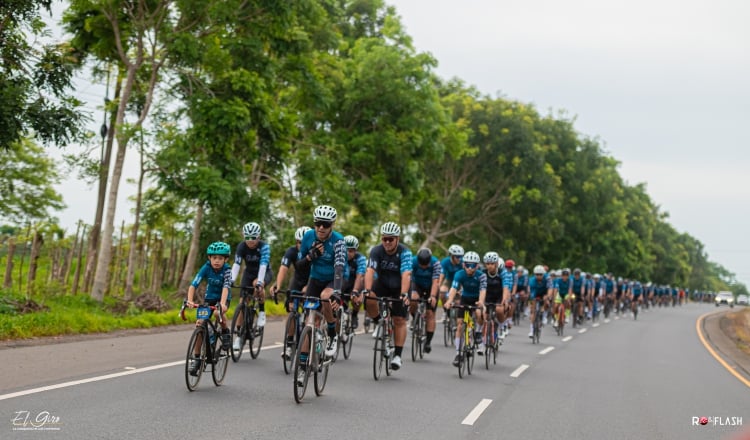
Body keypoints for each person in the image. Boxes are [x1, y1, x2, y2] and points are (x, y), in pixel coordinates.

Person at [295, 205, 347, 382]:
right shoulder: (308, 237)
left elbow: (339, 268)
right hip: (315, 279)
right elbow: (299, 266)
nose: (321, 228)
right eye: (318, 224)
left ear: (331, 225)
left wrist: (337, 292)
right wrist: (311, 256)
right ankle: (302, 368)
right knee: (310, 321)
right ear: (314, 224)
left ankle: (332, 334)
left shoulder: (338, 241)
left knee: (326, 297)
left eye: (325, 224)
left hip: (333, 279)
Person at [363, 222, 413, 371]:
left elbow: (406, 274)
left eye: (391, 239)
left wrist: (404, 294)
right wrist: (366, 289)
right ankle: (379, 322)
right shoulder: (376, 251)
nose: (387, 242)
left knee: (399, 319)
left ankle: (397, 355)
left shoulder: (405, 252)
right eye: (385, 239)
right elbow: (370, 271)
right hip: (383, 284)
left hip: (400, 287)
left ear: (397, 239)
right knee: (369, 297)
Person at [186, 241, 232, 375]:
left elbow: (226, 288)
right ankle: (196, 359)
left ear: (225, 259)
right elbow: (193, 284)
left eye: (220, 258)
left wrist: (223, 304)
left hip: (223, 298)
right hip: (209, 298)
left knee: (218, 314)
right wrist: (189, 300)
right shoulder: (206, 268)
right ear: (209, 258)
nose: (217, 261)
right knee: (200, 325)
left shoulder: (227, 270)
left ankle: (225, 332)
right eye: (214, 258)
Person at [231, 222, 272, 352]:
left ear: (258, 237)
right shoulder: (241, 247)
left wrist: (260, 282)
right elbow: (237, 264)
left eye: (253, 238)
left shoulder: (264, 247)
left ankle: (261, 311)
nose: (250, 241)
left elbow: (263, 265)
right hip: (248, 273)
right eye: (247, 237)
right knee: (242, 303)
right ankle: (239, 336)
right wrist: (231, 280)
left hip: (264, 272)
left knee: (257, 285)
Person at [272, 226, 312, 359]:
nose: (302, 245)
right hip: (297, 280)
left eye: (305, 242)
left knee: (309, 313)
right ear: (296, 242)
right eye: (300, 242)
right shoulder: (291, 251)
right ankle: (289, 345)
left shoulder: (315, 252)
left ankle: (308, 338)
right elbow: (283, 268)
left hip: (312, 281)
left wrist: (308, 287)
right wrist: (277, 285)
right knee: (291, 310)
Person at [444, 251, 487, 367]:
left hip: (477, 299)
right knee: (460, 325)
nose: (470, 268)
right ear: (463, 265)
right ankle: (458, 354)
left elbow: (483, 290)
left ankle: (478, 333)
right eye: (467, 265)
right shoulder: (459, 274)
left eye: (473, 265)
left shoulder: (481, 275)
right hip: (465, 298)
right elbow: (453, 288)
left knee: (479, 313)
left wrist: (481, 302)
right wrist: (449, 301)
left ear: (477, 266)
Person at [409, 247, 441, 354]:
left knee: (430, 313)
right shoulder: (412, 261)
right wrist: (413, 291)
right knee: (413, 300)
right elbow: (409, 277)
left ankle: (428, 341)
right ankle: (415, 318)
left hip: (431, 287)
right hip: (417, 285)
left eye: (425, 265)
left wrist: (432, 296)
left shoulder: (435, 263)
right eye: (421, 264)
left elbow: (436, 281)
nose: (423, 267)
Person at [481, 252, 511, 352]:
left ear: (496, 264)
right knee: (485, 317)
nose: (490, 266)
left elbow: (506, 287)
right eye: (488, 263)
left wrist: (505, 299)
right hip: (487, 295)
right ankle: (483, 342)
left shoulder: (503, 272)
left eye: (492, 264)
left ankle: (502, 325)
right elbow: (479, 287)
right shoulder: (483, 272)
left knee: (499, 310)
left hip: (499, 295)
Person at [343, 235, 366, 329]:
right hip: (343, 283)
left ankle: (354, 315)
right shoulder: (338, 257)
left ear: (355, 251)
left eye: (351, 251)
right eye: (346, 250)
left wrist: (355, 291)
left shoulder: (360, 259)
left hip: (356, 283)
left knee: (356, 299)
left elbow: (360, 276)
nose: (348, 253)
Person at [528, 264, 551, 337]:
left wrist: (547, 296)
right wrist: (533, 299)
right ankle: (531, 330)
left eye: (540, 274)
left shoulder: (547, 279)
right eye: (537, 274)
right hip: (535, 293)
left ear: (543, 274)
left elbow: (550, 289)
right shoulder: (532, 280)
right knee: (533, 310)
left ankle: (544, 316)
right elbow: (531, 291)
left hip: (544, 293)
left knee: (546, 302)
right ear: (535, 274)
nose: (538, 276)